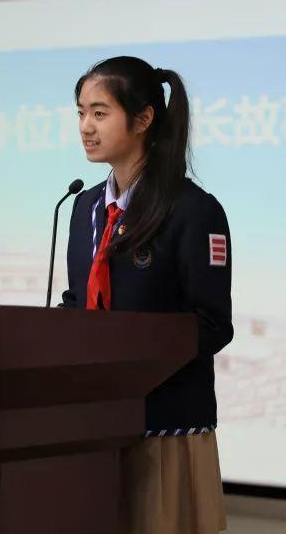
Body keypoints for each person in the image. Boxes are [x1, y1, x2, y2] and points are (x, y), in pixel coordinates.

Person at [58, 55, 233, 534]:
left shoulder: (193, 210)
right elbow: (80, 303)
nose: (85, 127)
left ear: (143, 119)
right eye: (80, 113)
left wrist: (129, 360)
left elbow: (212, 324)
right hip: (94, 424)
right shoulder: (84, 207)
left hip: (164, 425)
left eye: (99, 112)